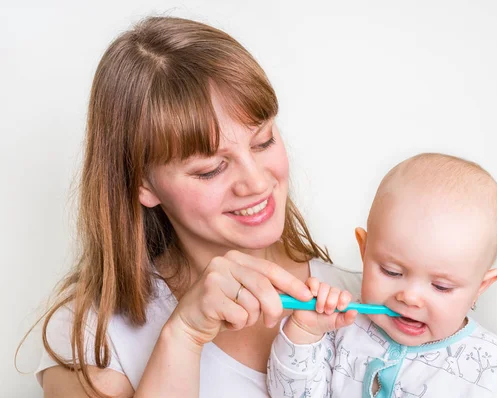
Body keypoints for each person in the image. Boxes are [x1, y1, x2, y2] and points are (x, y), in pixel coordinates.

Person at [33, 16, 361, 397]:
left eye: (263, 141)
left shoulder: (368, 298)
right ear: (143, 183)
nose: (256, 182)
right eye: (211, 169)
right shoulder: (91, 336)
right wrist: (183, 334)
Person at [267, 153, 497, 398]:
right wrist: (304, 332)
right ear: (365, 250)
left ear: (481, 286)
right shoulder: (339, 326)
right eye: (391, 271)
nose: (410, 297)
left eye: (441, 286)